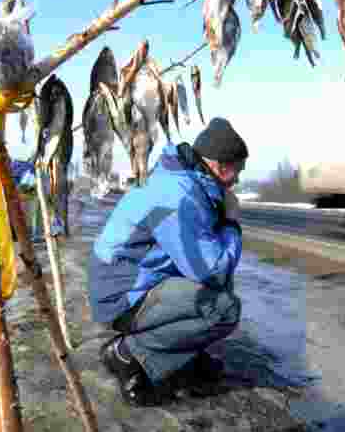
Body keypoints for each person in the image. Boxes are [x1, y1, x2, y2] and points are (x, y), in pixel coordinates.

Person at [87, 117, 248, 406]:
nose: (238, 179)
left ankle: (186, 357)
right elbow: (211, 270)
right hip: (121, 294)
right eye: (238, 170)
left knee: (215, 289)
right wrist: (232, 225)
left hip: (131, 280)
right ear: (220, 166)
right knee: (222, 308)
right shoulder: (180, 195)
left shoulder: (186, 182)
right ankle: (127, 354)